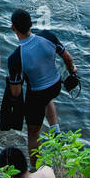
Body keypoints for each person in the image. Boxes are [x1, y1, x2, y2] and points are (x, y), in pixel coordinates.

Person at [6, 9, 77, 166]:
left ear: (13, 28)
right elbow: (68, 58)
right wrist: (72, 70)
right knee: (47, 99)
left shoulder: (15, 58)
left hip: (36, 94)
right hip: (56, 85)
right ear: (31, 24)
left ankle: (35, 167)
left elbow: (16, 92)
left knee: (33, 133)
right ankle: (56, 131)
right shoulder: (48, 37)